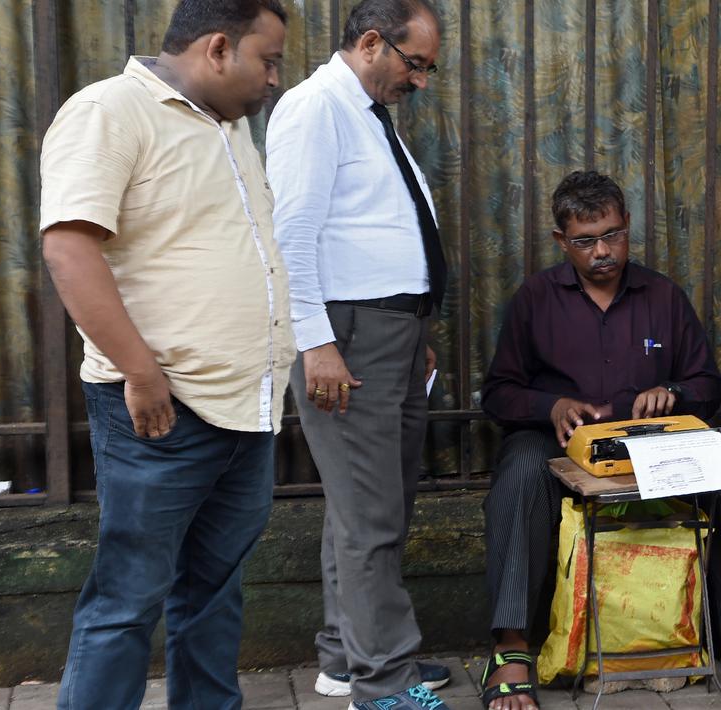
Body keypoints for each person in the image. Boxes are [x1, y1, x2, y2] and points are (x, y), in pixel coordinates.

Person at [39, 2, 292, 708]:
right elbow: (68, 246)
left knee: (213, 595)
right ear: (217, 48)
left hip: (247, 407)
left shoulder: (229, 128)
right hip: (160, 408)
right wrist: (141, 371)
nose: (274, 78)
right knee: (127, 600)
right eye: (267, 60)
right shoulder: (110, 112)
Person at [479, 170, 721, 710]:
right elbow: (499, 393)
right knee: (522, 468)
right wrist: (550, 406)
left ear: (627, 229)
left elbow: (706, 384)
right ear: (561, 242)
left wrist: (671, 391)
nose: (603, 252)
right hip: (561, 447)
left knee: (718, 463)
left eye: (613, 235)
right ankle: (512, 647)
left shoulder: (661, 295)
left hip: (649, 444)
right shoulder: (536, 299)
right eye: (586, 241)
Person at [265, 1, 450, 708]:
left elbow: (375, 227)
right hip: (344, 335)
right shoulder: (316, 109)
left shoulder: (366, 114)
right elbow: (292, 235)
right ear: (372, 43)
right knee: (371, 513)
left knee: (368, 506)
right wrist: (315, 342)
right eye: (415, 64)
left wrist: (413, 326)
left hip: (386, 331)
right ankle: (386, 681)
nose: (421, 81)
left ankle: (347, 657)